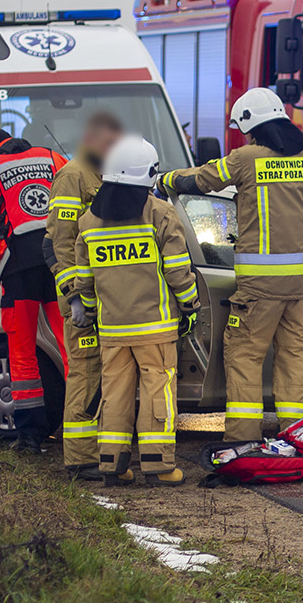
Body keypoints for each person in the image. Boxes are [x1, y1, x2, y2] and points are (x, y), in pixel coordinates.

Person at [159, 88, 303, 441]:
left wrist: (165, 180)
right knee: (296, 364)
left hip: (259, 289)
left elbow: (201, 180)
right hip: (302, 289)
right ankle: (299, 439)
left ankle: (243, 441)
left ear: (251, 124)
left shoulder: (246, 158)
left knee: (244, 359)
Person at [67, 136, 197, 486]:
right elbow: (177, 270)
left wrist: (93, 314)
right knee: (158, 390)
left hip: (111, 329)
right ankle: (158, 466)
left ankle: (113, 465)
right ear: (148, 174)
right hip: (154, 328)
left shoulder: (89, 222)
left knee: (115, 395)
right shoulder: (158, 213)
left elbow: (85, 282)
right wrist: (191, 306)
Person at [0, 130, 67, 452]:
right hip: (61, 263)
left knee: (21, 351)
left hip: (19, 268)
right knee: (71, 344)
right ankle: (91, 422)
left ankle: (30, 436)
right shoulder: (52, 158)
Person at [49, 111, 125, 479]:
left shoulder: (102, 174)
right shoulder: (73, 176)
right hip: (83, 300)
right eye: (108, 143)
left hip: (104, 298)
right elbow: (60, 244)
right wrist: (74, 296)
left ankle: (101, 452)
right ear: (92, 138)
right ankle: (80, 459)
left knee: (103, 375)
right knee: (85, 373)